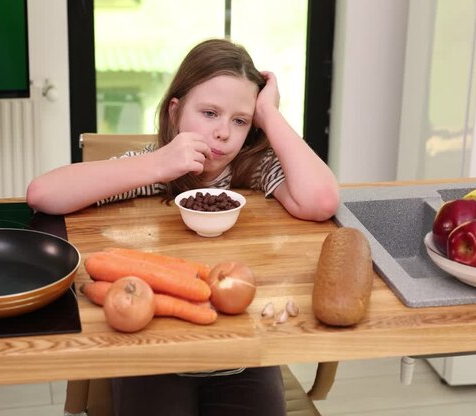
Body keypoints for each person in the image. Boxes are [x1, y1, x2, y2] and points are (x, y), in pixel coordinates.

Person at [27, 38, 339, 416]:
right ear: (175, 112)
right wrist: (156, 166)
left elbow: (322, 201)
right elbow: (42, 194)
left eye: (240, 120)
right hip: (151, 348)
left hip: (239, 350)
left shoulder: (252, 170)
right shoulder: (154, 169)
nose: (223, 133)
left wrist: (269, 114)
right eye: (209, 113)